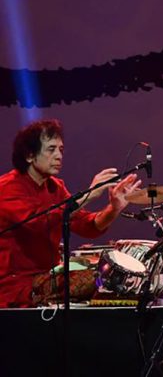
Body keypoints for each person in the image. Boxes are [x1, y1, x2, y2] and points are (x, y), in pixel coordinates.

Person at [0, 119, 141, 307]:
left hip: (47, 277)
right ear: (29, 155)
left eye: (61, 150)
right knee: (100, 279)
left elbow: (86, 225)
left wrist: (114, 207)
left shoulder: (56, 187)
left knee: (116, 278)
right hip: (16, 285)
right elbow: (39, 221)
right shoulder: (7, 187)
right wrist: (89, 195)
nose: (59, 156)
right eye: (51, 149)